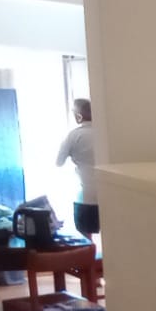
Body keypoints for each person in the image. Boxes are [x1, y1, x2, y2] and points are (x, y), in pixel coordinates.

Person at [56, 98, 98, 239]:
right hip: (108, 193)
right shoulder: (105, 134)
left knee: (86, 238)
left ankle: (90, 253)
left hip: (85, 195)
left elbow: (59, 162)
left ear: (78, 116)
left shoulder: (73, 135)